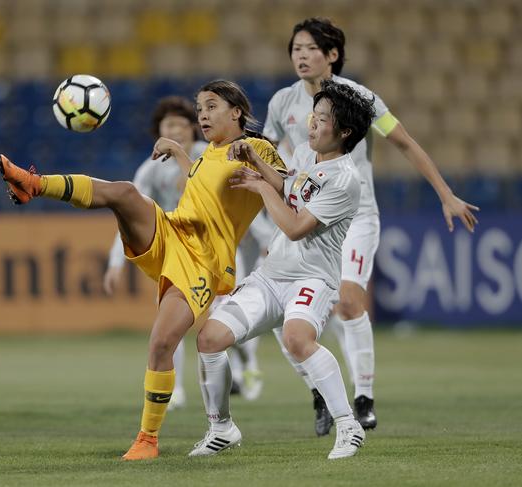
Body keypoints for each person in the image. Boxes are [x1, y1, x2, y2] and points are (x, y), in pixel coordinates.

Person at [0, 79, 286, 460]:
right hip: (172, 231)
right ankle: (32, 184)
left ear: (237, 112)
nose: (202, 114)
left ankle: (148, 439)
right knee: (125, 193)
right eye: (200, 107)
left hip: (203, 262)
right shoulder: (209, 155)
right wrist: (181, 153)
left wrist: (257, 161)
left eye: (211, 106)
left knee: (162, 342)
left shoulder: (255, 147)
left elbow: (287, 187)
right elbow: (202, 186)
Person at [263, 17, 480, 434]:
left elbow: (404, 142)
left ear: (332, 56)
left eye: (310, 49)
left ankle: (363, 397)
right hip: (306, 213)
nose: (301, 56)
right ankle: (320, 392)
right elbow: (271, 150)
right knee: (278, 305)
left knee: (347, 301)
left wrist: (445, 194)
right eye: (295, 49)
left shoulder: (359, 100)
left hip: (354, 214)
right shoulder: (282, 103)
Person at [190, 79, 373, 460]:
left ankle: (348, 425)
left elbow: (293, 225)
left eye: (322, 119)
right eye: (314, 115)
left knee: (296, 339)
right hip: (271, 276)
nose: (312, 123)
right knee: (209, 339)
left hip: (312, 279)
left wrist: (260, 188)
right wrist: (259, 165)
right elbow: (291, 187)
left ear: (344, 132)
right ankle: (221, 427)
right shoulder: (307, 153)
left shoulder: (345, 180)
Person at [103, 96, 265, 410]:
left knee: (230, 319)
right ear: (159, 132)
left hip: (220, 251)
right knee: (170, 321)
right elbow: (127, 214)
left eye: (180, 123)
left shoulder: (211, 156)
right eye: (168, 125)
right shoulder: (150, 170)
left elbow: (246, 194)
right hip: (178, 254)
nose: (175, 130)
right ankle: (175, 388)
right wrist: (115, 263)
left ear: (192, 127)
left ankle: (248, 365)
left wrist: (263, 235)